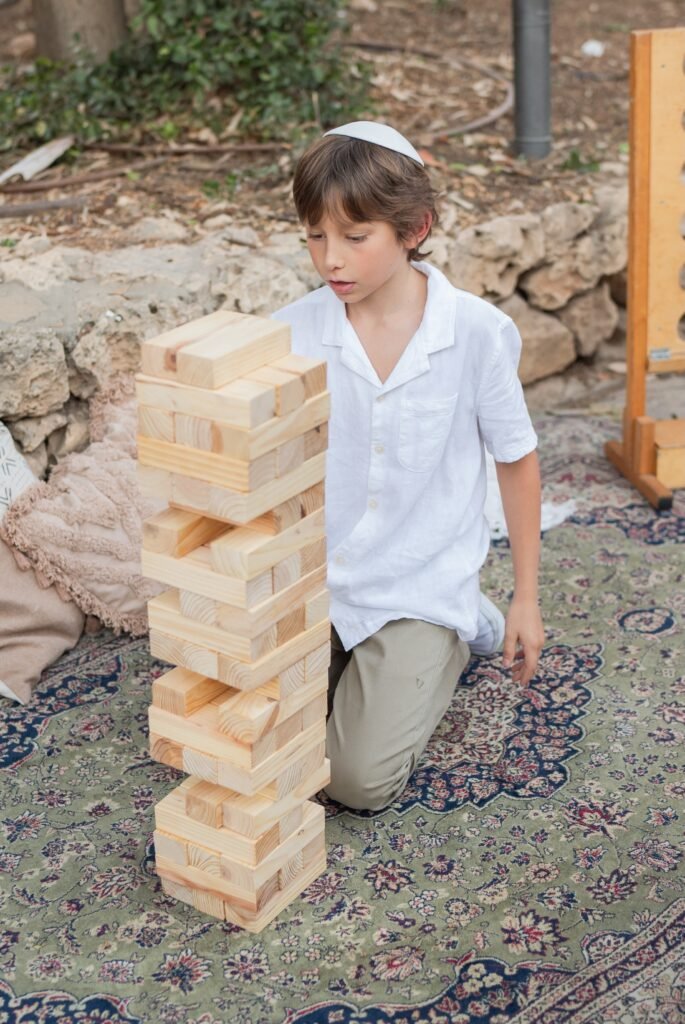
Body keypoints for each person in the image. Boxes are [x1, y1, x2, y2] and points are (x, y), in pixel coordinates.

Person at [273, 121, 544, 811]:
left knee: (356, 781)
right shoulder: (291, 331)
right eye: (314, 235)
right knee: (242, 735)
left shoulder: (476, 333)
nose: (330, 258)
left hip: (415, 583)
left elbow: (515, 460)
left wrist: (524, 599)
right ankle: (353, 671)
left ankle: (446, 641)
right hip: (312, 578)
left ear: (413, 228)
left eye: (354, 237)